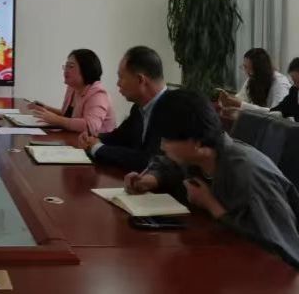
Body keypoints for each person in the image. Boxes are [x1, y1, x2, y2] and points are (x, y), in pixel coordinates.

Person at [126, 89, 299, 269]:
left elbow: (282, 250)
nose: (162, 146)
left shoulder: (248, 174)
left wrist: (211, 205)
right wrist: (151, 179)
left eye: (167, 140)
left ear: (197, 142)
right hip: (223, 258)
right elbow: (169, 164)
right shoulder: (198, 156)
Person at [76, 46, 168, 172]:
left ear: (140, 80)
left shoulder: (171, 109)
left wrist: (97, 148)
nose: (118, 83)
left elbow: (148, 160)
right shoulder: (139, 106)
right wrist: (93, 137)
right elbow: (121, 136)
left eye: (121, 77)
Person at [28, 49, 116, 134]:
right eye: (66, 66)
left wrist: (57, 120)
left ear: (86, 69)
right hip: (74, 138)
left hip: (97, 142)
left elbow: (90, 126)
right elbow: (67, 115)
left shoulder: (98, 94)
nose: (66, 70)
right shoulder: (72, 88)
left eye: (71, 66)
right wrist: (46, 108)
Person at [219, 50, 294, 119]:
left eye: (251, 69)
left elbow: (278, 114)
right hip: (264, 124)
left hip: (285, 127)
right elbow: (241, 99)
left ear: (262, 70)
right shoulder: (252, 78)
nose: (247, 73)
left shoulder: (280, 83)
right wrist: (228, 101)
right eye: (245, 67)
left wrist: (240, 105)